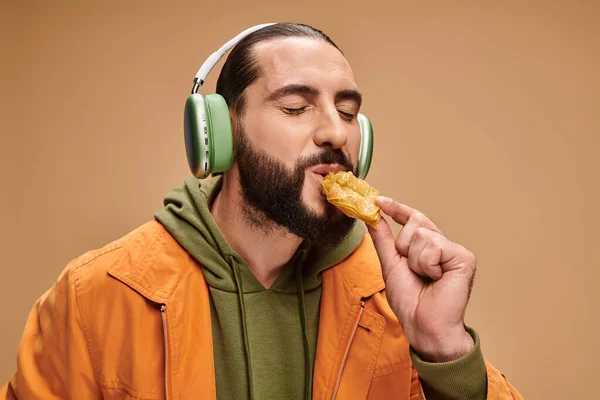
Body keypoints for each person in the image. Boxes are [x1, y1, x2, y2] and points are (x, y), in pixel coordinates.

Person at [1, 22, 522, 400]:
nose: (335, 133)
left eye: (347, 112)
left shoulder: (394, 304)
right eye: (295, 107)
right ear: (221, 135)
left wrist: (443, 352)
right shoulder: (97, 296)